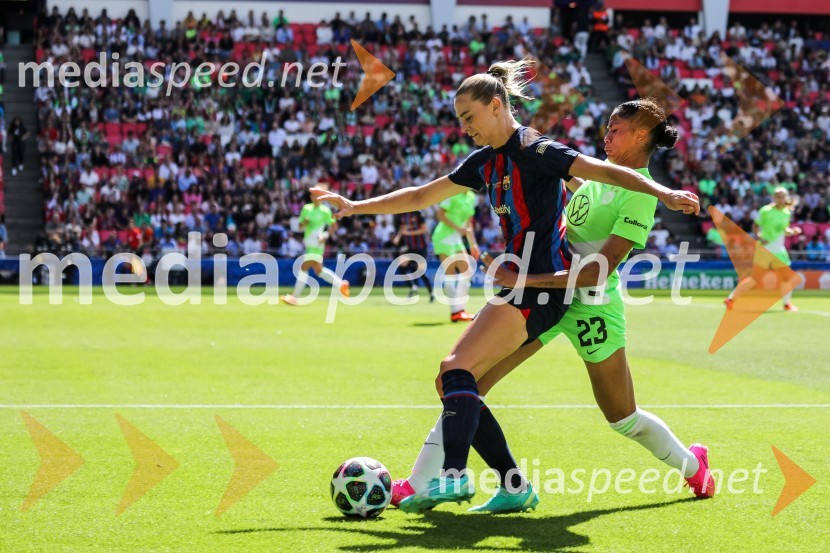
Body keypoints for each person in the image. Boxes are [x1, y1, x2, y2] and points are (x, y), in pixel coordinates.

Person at [312, 59, 699, 514]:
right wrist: (353, 206)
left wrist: (663, 194)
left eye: (469, 118)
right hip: (542, 289)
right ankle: (478, 484)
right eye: (460, 121)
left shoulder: (537, 149)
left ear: (497, 106)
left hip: (567, 294)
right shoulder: (486, 161)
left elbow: (603, 180)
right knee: (460, 382)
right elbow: (421, 195)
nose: (465, 128)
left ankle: (450, 478)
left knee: (618, 417)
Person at [724, 187, 802, 311]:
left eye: (782, 196)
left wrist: (792, 232)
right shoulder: (765, 211)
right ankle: (731, 299)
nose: (780, 199)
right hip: (765, 249)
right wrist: (760, 236)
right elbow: (755, 226)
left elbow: (784, 230)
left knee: (786, 278)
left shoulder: (786, 212)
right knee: (755, 279)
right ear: (774, 197)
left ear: (786, 198)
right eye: (778, 196)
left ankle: (787, 304)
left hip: (779, 250)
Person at [280, 190, 350, 305]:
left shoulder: (325, 211)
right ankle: (341, 284)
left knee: (304, 267)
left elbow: (334, 226)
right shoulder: (306, 209)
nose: (316, 198)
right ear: (311, 197)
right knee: (319, 271)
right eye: (314, 196)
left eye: (318, 196)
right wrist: (305, 223)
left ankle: (294, 297)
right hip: (309, 243)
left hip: (317, 244)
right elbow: (300, 227)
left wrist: (325, 235)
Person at [431, 190, 480, 321]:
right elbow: (440, 214)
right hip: (443, 236)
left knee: (467, 271)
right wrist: (458, 229)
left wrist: (473, 244)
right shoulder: (452, 193)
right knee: (450, 273)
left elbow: (468, 223)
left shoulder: (471, 197)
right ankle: (456, 312)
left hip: (457, 238)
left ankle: (460, 310)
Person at [393, 210, 434, 301]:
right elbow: (402, 227)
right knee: (401, 267)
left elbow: (424, 229)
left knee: (420, 271)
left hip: (421, 248)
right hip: (409, 247)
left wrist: (408, 233)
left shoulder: (418, 213)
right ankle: (413, 287)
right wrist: (398, 237)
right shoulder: (402, 214)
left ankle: (431, 293)